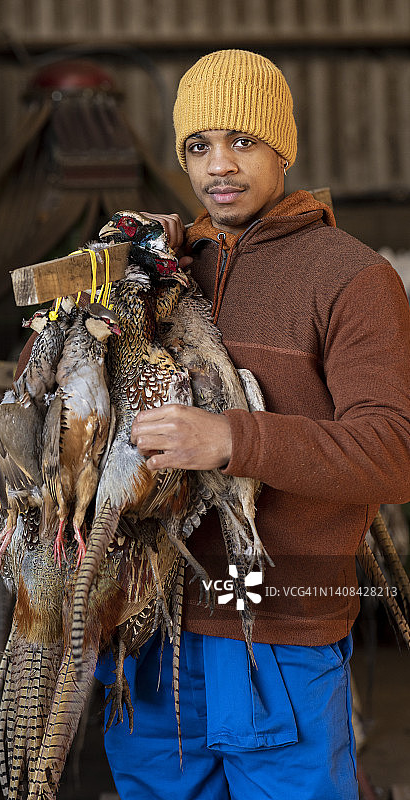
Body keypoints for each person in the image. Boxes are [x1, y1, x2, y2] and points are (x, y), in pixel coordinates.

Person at [96, 49, 410, 800]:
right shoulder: (162, 267)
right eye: (198, 146)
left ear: (283, 148)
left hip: (277, 634)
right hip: (147, 629)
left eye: (243, 140)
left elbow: (393, 451)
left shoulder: (351, 276)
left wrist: (233, 439)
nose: (219, 166)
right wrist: (105, 283)